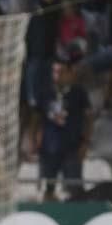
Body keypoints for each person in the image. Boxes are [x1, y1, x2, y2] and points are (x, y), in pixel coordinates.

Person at [36, 58, 92, 201]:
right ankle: (47, 215)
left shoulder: (79, 92)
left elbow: (88, 119)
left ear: (69, 73)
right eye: (54, 72)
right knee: (47, 188)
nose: (57, 76)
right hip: (49, 148)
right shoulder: (46, 91)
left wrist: (85, 142)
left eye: (60, 72)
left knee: (75, 190)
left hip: (72, 147)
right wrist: (35, 138)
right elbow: (37, 117)